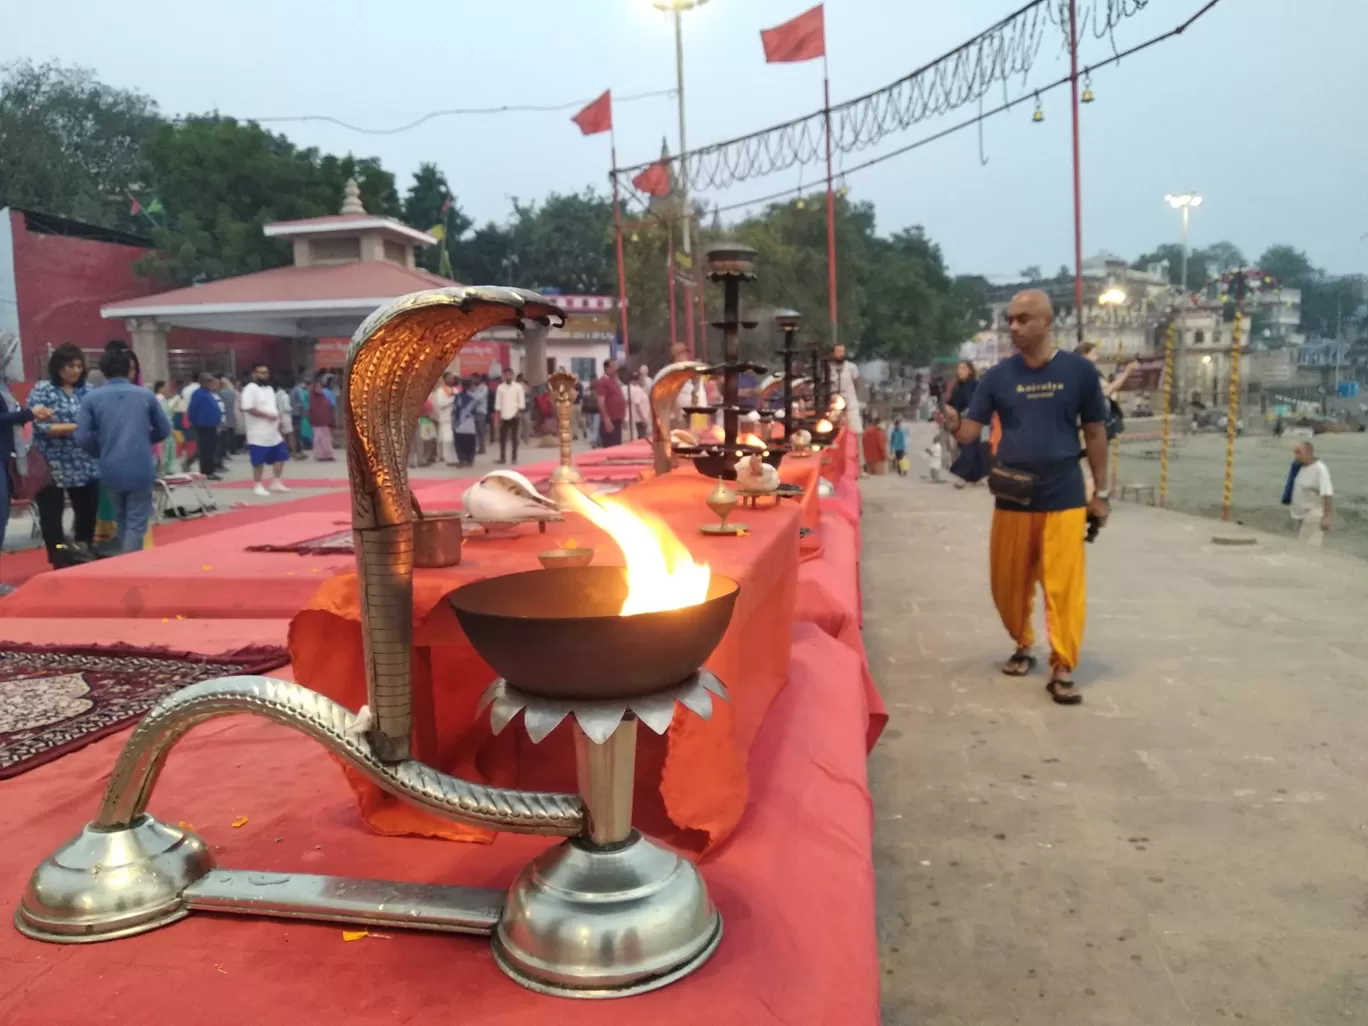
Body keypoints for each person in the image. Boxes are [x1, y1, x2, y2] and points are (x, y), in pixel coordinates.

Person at [943, 289, 1108, 706]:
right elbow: (969, 433)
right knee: (1008, 582)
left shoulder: (1079, 373)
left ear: (1047, 322)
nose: (1013, 327)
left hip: (1065, 492)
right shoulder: (997, 377)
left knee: (1063, 585)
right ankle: (1023, 642)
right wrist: (952, 421)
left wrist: (1101, 492)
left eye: (1023, 319)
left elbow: (1095, 433)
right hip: (1013, 493)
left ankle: (1063, 664)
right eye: (1010, 320)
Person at [75, 346, 170, 554]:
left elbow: (82, 437)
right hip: (140, 465)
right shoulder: (145, 396)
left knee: (121, 519)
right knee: (137, 522)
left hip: (110, 466)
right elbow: (164, 429)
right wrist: (145, 440)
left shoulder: (91, 399)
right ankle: (131, 566)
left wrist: (100, 451)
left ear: (103, 371)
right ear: (130, 370)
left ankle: (125, 562)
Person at [28, 344, 101, 567]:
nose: (76, 370)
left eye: (79, 366)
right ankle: (58, 554)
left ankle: (83, 548)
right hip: (52, 463)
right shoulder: (43, 390)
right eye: (71, 365)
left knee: (87, 510)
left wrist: (71, 427)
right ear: (58, 367)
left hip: (84, 461)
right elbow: (40, 427)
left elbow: (97, 423)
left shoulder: (88, 391)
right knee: (52, 513)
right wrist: (78, 427)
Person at [0, 334, 51, 591]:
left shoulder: (3, 385)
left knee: (3, 515)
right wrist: (28, 414)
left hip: (4, 457)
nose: (8, 359)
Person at [240, 363, 290, 497]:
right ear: (254, 374)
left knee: (281, 455)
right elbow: (248, 408)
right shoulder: (250, 389)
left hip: (273, 431)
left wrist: (278, 421)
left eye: (266, 372)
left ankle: (276, 481)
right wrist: (267, 416)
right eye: (261, 372)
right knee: (258, 460)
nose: (265, 375)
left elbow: (272, 406)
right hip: (258, 432)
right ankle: (258, 484)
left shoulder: (269, 389)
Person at [946, 360, 989, 488]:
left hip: (974, 420)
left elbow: (983, 401)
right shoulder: (957, 387)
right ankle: (981, 476)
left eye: (963, 368)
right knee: (973, 448)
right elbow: (951, 404)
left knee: (969, 446)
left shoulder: (976, 385)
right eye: (959, 368)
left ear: (970, 371)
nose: (960, 371)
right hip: (959, 422)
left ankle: (962, 475)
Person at [1289, 441, 1332, 547]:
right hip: (1299, 515)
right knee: (1300, 545)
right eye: (1295, 453)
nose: (1296, 456)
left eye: (1299, 453)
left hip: (1313, 515)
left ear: (1309, 453)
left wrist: (1326, 517)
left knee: (1308, 548)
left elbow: (1327, 493)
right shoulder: (1299, 467)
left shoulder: (1320, 469)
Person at [186, 372, 223, 480]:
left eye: (211, 381)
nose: (210, 383)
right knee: (206, 450)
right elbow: (192, 409)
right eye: (208, 381)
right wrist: (193, 421)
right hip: (203, 425)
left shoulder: (208, 393)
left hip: (211, 425)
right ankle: (206, 471)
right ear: (201, 382)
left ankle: (210, 469)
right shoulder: (198, 393)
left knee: (211, 449)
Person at [830, 343, 864, 435]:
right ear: (833, 353)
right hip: (834, 407)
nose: (840, 354)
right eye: (838, 351)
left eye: (842, 351)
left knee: (855, 432)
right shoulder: (828, 368)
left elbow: (857, 382)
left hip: (850, 405)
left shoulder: (851, 367)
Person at [495, 367, 525, 464]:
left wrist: (518, 413)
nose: (508, 376)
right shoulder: (500, 387)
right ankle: (502, 458)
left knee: (514, 438)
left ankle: (514, 457)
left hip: (515, 415)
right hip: (503, 415)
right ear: (503, 376)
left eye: (510, 374)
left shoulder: (518, 387)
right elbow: (498, 403)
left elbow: (521, 402)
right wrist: (499, 416)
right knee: (502, 438)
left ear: (513, 376)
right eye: (506, 375)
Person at [596, 358, 627, 448]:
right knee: (611, 447)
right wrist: (606, 419)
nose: (617, 369)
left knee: (617, 445)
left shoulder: (615, 382)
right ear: (607, 369)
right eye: (614, 366)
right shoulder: (603, 382)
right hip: (610, 420)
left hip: (617, 419)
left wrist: (623, 417)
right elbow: (601, 401)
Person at [452, 380, 480, 467]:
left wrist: (454, 423)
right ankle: (469, 460)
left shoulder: (458, 396)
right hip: (470, 423)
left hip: (459, 424)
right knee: (470, 443)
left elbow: (454, 410)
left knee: (460, 443)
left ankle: (461, 460)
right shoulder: (474, 398)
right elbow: (475, 411)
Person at [431, 373, 457, 465]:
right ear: (444, 379)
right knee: (447, 440)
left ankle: (455, 458)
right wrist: (453, 400)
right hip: (446, 418)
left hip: (455, 419)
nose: (451, 380)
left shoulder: (455, 390)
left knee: (454, 440)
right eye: (449, 378)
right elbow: (441, 403)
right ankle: (448, 459)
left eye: (452, 378)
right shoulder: (441, 391)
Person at [309, 375, 336, 461]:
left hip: (325, 421)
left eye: (319, 386)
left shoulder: (324, 396)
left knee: (326, 438)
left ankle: (328, 454)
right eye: (317, 387)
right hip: (316, 422)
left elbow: (328, 408)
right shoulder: (312, 398)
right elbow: (311, 409)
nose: (318, 388)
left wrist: (330, 419)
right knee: (318, 438)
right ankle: (320, 455)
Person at [217, 373, 239, 457]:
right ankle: (233, 449)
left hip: (224, 414)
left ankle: (224, 451)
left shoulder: (220, 393)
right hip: (231, 413)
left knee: (224, 435)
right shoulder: (232, 392)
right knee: (231, 433)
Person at [467, 375, 489, 455]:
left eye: (474, 379)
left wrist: (470, 393)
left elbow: (478, 398)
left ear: (478, 379)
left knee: (480, 431)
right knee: (474, 431)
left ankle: (482, 448)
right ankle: (476, 447)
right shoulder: (473, 388)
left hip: (481, 412)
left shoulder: (483, 387)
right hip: (472, 413)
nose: (473, 380)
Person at [581, 362, 601, 445]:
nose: (593, 382)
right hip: (589, 411)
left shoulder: (599, 389)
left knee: (596, 426)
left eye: (595, 380)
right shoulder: (587, 389)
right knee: (591, 426)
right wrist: (583, 412)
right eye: (592, 380)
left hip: (597, 411)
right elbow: (584, 400)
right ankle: (596, 439)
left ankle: (593, 441)